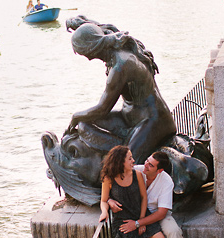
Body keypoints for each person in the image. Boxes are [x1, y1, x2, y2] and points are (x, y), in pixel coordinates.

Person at [65, 21, 177, 161]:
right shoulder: (113, 50)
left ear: (92, 48)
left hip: (153, 120)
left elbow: (102, 109)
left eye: (84, 53)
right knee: (84, 125)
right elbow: (99, 30)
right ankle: (118, 152)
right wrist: (80, 25)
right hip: (129, 116)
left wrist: (75, 116)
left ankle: (121, 156)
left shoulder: (122, 64)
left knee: (126, 163)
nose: (87, 58)